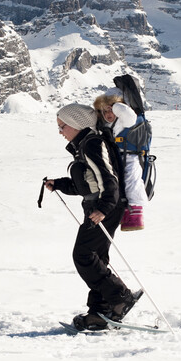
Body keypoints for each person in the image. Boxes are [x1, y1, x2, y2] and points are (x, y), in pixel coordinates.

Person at [44, 104, 140, 331]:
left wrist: (104, 208)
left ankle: (119, 297)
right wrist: (58, 184)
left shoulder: (92, 144)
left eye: (62, 126)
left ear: (76, 124)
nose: (60, 132)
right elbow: (86, 184)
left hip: (104, 208)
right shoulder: (84, 145)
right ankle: (100, 312)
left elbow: (109, 179)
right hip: (99, 207)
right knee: (96, 257)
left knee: (84, 255)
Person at [92, 92, 149, 231]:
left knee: (132, 179)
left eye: (110, 110)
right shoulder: (104, 124)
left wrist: (115, 104)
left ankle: (135, 212)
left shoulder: (125, 120)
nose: (108, 114)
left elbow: (129, 115)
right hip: (113, 157)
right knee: (114, 184)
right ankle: (121, 212)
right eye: (104, 111)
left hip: (129, 156)